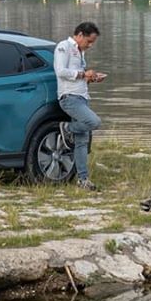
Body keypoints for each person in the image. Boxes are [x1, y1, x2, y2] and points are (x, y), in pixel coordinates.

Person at [54, 21, 106, 191]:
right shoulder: (64, 47)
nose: (90, 45)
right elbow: (61, 71)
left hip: (82, 97)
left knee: (82, 141)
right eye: (89, 41)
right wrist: (83, 74)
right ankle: (67, 128)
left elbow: (78, 78)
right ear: (80, 35)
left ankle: (82, 179)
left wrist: (91, 78)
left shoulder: (80, 52)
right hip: (69, 98)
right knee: (94, 122)